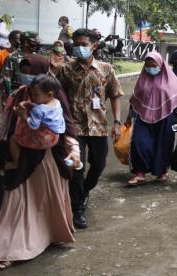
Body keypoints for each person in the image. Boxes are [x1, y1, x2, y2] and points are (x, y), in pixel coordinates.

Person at [0, 54, 80, 271]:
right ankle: (5, 250)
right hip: (22, 159)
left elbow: (67, 126)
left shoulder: (54, 95)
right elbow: (7, 129)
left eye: (33, 73)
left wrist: (74, 150)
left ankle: (51, 235)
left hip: (48, 159)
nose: (28, 77)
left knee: (47, 201)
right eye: (24, 72)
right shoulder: (19, 95)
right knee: (15, 204)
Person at [55, 28, 124, 229]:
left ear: (94, 45)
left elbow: (116, 95)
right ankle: (77, 209)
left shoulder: (105, 68)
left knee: (99, 165)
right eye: (76, 44)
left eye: (83, 44)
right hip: (74, 127)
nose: (79, 48)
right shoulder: (66, 69)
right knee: (77, 167)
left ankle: (83, 192)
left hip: (98, 127)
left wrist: (117, 123)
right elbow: (53, 92)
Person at [125, 52, 177, 185]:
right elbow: (135, 101)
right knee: (139, 143)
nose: (150, 68)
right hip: (143, 117)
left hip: (166, 118)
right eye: (148, 65)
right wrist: (129, 117)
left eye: (154, 65)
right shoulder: (142, 79)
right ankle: (140, 173)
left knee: (163, 145)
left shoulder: (171, 80)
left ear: (161, 65)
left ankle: (161, 171)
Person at [11, 74, 66, 158]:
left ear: (49, 94)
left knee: (13, 139)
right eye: (32, 94)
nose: (33, 97)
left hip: (43, 140)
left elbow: (33, 126)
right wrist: (31, 104)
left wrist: (23, 115)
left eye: (36, 95)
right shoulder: (56, 102)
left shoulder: (39, 110)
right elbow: (46, 111)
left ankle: (15, 162)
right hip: (55, 137)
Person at [0, 30, 21, 105]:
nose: (20, 41)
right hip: (6, 90)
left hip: (21, 90)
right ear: (11, 40)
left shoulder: (24, 55)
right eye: (18, 39)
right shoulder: (0, 55)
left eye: (22, 39)